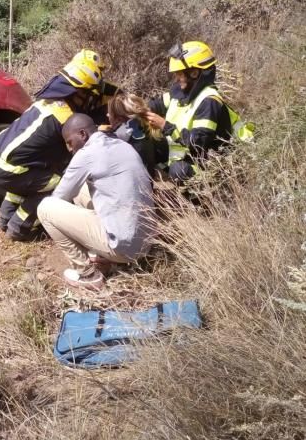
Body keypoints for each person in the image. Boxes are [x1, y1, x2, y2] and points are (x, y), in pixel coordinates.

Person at [0, 49, 119, 241]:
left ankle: (5, 218)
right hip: (7, 169)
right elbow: (80, 153)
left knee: (30, 179)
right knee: (59, 182)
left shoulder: (49, 100)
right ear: (79, 90)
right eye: (89, 92)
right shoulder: (65, 118)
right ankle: (19, 228)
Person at [37, 114, 155, 291]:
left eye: (70, 142)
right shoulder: (122, 144)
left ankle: (88, 275)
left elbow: (59, 198)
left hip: (125, 249)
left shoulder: (86, 155)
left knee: (46, 209)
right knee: (81, 191)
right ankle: (100, 254)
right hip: (147, 241)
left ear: (83, 134)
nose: (69, 149)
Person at [146, 40, 251, 184]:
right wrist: (137, 108)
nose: (177, 78)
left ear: (194, 73)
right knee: (145, 141)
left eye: (180, 74)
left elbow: (197, 143)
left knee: (179, 171)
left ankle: (196, 202)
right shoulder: (181, 91)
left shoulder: (209, 101)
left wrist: (165, 126)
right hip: (187, 155)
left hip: (211, 164)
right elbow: (155, 105)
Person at [106, 93, 167, 177]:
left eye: (110, 113)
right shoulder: (148, 128)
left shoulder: (120, 139)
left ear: (119, 119)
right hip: (151, 176)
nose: (107, 115)